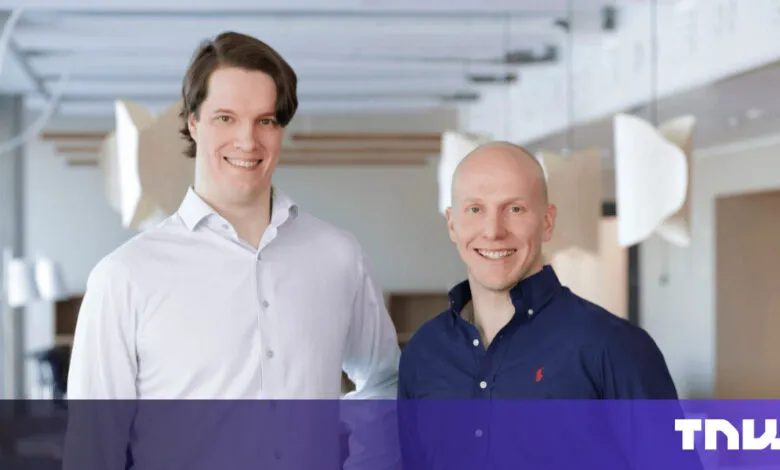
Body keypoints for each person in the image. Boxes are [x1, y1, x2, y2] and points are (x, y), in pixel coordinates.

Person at [64, 32, 400, 470]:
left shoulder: (338, 257)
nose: (248, 140)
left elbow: (385, 379)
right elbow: (92, 449)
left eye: (266, 120)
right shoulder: (124, 277)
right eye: (226, 118)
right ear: (193, 123)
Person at [395, 142, 694, 469]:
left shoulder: (614, 347)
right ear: (452, 224)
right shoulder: (423, 353)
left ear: (547, 221)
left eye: (515, 209)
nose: (494, 231)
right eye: (475, 209)